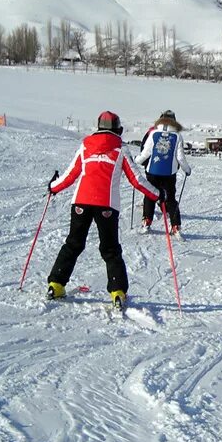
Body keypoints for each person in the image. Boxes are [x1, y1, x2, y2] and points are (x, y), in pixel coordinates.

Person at [46, 111, 162, 308]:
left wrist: (53, 187)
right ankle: (117, 292)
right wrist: (157, 195)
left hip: (80, 203)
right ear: (118, 129)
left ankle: (56, 284)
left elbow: (70, 174)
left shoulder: (85, 145)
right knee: (110, 249)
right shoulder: (120, 149)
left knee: (73, 244)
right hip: (106, 205)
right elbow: (136, 180)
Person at [133, 110, 192, 237]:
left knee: (150, 196)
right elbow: (180, 157)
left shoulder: (153, 133)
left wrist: (137, 160)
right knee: (170, 199)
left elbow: (146, 152)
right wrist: (187, 169)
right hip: (169, 173)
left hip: (152, 171)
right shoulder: (177, 136)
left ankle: (146, 222)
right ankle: (176, 226)